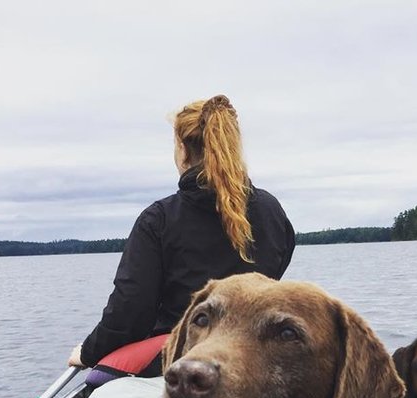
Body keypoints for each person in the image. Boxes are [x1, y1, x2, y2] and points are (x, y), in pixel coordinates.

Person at [68, 94, 296, 375]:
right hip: (250, 359)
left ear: (183, 150)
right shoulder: (272, 211)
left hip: (178, 363)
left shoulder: (158, 220)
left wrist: (88, 352)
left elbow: (130, 314)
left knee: (99, 378)